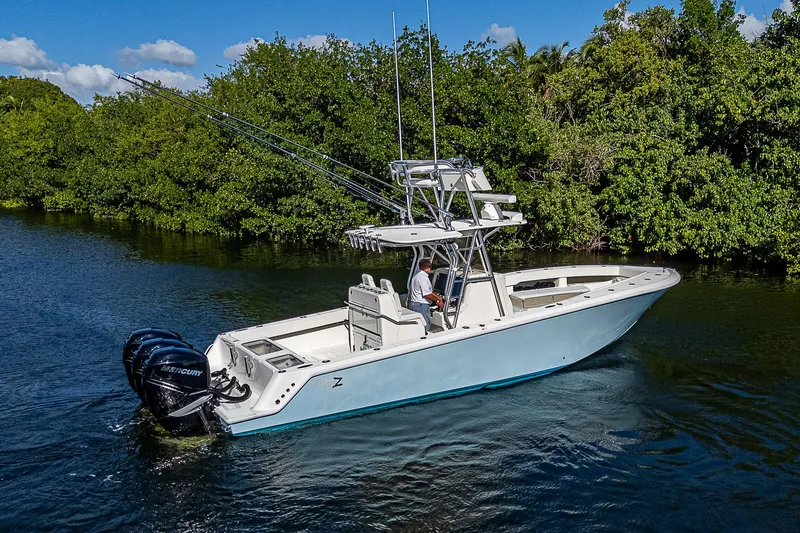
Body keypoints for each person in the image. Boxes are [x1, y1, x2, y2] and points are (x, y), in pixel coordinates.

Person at [408, 258, 444, 332]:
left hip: (415, 303)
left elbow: (428, 291)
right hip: (421, 305)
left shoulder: (416, 276)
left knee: (419, 325)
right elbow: (426, 294)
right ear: (428, 267)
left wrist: (438, 297)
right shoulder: (423, 278)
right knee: (425, 325)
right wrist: (438, 301)